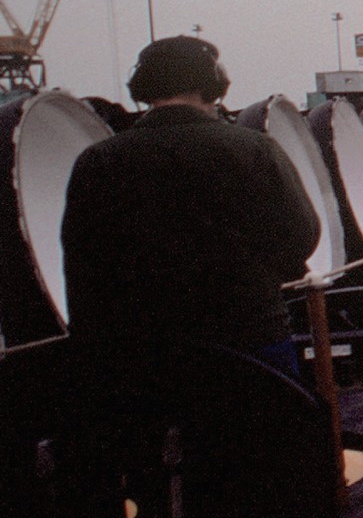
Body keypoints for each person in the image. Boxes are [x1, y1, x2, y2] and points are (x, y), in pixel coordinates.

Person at [60, 35, 320, 379]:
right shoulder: (255, 148)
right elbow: (301, 236)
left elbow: (83, 265)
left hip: (143, 353)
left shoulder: (98, 160)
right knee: (264, 429)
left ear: (143, 86)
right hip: (250, 339)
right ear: (213, 84)